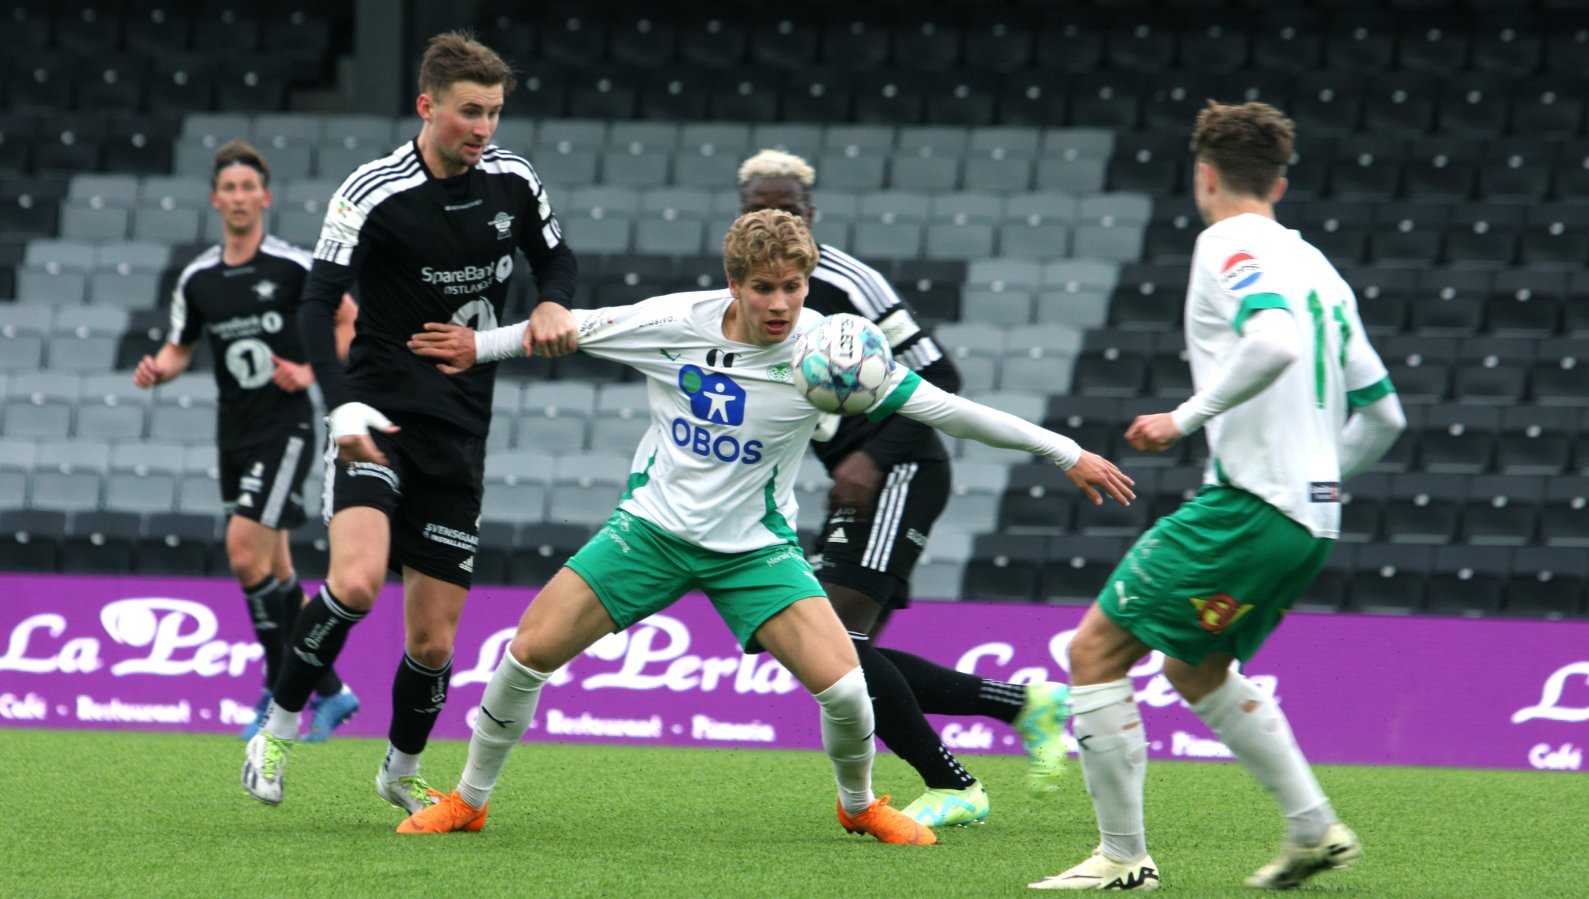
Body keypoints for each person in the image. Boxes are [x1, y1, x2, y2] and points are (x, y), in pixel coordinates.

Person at [394, 209, 1136, 843]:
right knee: (526, 654)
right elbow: (572, 328)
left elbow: (948, 409)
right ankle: (469, 800)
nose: (780, 303)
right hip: (649, 532)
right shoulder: (671, 323)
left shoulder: (831, 352)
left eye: (793, 286)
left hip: (754, 549)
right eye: (763, 288)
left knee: (846, 689)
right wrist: (479, 346)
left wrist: (1065, 451)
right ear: (734, 283)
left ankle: (859, 805)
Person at [1028, 101, 1405, 891]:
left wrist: (1184, 417)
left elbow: (1274, 340)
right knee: (1196, 668)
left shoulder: (1227, 241)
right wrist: (1321, 483)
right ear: (1280, 182)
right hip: (1309, 520)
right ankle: (1312, 827)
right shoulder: (1321, 270)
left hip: (1248, 504)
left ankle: (1123, 858)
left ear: (1204, 175)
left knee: (1094, 651)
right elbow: (1385, 415)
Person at [240, 31, 580, 814]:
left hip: (459, 431)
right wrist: (340, 405)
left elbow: (558, 261)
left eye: (494, 112)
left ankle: (399, 770)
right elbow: (317, 302)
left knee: (432, 639)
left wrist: (553, 301)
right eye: (470, 112)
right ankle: (277, 728)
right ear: (427, 106)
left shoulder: (514, 181)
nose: (484, 128)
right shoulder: (373, 189)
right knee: (356, 583)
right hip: (378, 417)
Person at [737, 149, 1073, 826]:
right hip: (851, 482)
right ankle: (1022, 706)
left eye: (788, 208)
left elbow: (940, 375)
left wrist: (871, 456)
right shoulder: (749, 294)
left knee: (827, 637)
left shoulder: (850, 283)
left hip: (901, 471)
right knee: (832, 649)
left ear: (811, 213)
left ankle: (956, 779)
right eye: (759, 208)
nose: (775, 218)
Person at [135, 139, 360, 743]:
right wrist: (158, 368)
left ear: (265, 197)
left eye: (248, 188)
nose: (238, 197)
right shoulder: (199, 277)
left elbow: (348, 319)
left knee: (242, 552)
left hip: (285, 428)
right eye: (228, 189)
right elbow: (179, 347)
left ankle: (275, 688)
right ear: (215, 200)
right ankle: (332, 692)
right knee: (275, 567)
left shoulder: (292, 266)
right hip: (233, 432)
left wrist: (311, 371)